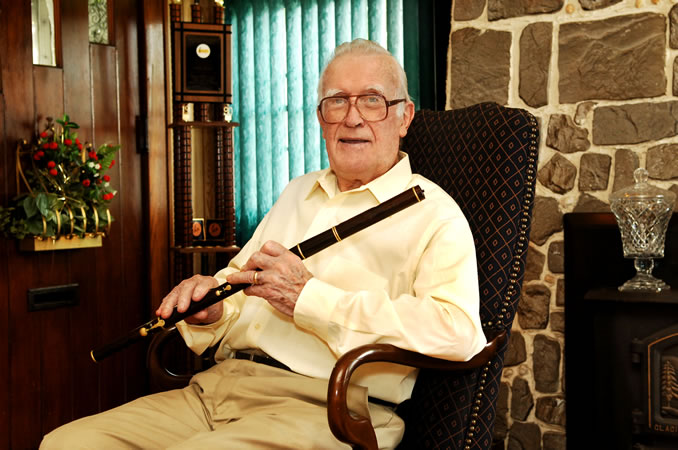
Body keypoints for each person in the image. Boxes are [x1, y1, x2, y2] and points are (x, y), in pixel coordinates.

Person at [41, 38, 486, 449]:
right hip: (219, 387)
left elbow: (457, 333)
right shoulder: (297, 191)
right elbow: (238, 287)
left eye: (371, 100)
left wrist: (310, 298)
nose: (352, 117)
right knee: (65, 443)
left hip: (328, 406)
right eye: (336, 102)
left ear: (404, 116)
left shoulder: (433, 213)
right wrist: (211, 312)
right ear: (321, 118)